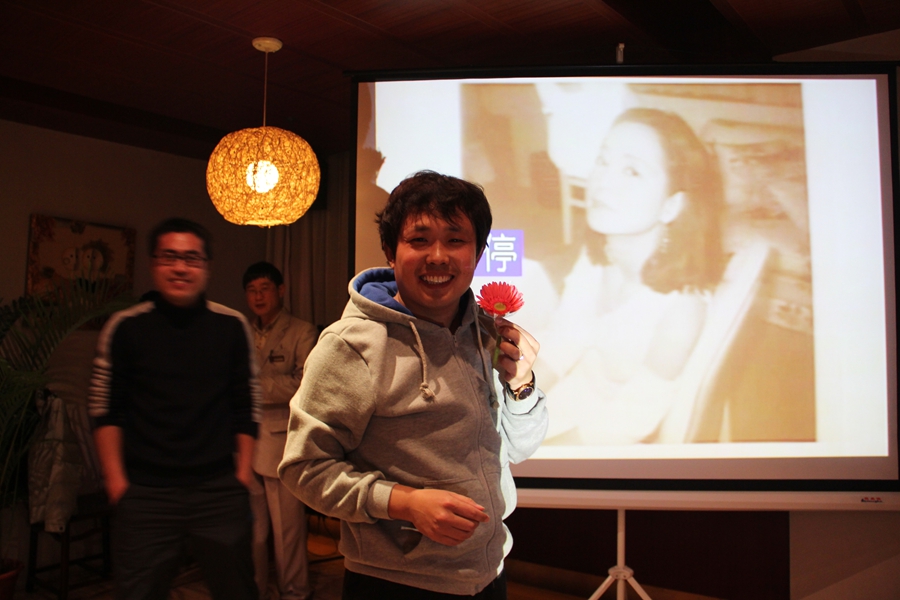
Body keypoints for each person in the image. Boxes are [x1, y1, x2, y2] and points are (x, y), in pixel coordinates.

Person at [278, 171, 549, 599]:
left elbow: (518, 448)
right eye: (419, 240)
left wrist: (522, 385)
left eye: (455, 240)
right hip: (394, 582)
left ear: (478, 253)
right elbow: (304, 468)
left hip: (488, 571)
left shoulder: (486, 333)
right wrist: (404, 503)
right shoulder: (353, 345)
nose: (437, 256)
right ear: (391, 251)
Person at [88, 218, 260, 600]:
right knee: (138, 593)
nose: (180, 267)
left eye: (191, 258)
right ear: (154, 264)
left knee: (237, 590)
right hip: (145, 492)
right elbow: (105, 408)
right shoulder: (125, 327)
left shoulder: (231, 326)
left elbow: (246, 404)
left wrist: (242, 475)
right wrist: (116, 482)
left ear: (206, 267)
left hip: (218, 489)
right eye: (169, 257)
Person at [538, 107, 726, 445]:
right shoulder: (600, 254)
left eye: (632, 171)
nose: (603, 181)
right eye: (603, 161)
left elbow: (626, 423)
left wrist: (525, 459)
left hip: (602, 438)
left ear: (671, 206)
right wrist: (503, 404)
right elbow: (564, 340)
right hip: (573, 394)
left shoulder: (681, 311)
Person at [242, 261, 318, 600]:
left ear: (281, 291)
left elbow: (305, 384)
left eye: (265, 289)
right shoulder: (241, 331)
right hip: (244, 441)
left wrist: (251, 388)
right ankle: (254, 589)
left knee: (287, 530)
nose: (258, 296)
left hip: (281, 442)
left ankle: (295, 592)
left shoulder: (302, 331)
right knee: (253, 530)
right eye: (252, 290)